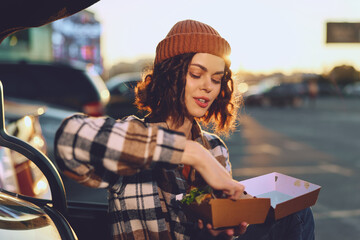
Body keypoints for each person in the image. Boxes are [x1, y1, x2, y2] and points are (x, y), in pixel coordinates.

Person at [54, 19, 315, 240]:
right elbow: (69, 138)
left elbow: (215, 223)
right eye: (196, 73)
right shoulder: (130, 133)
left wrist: (223, 227)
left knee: (296, 211)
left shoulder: (215, 148)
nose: (208, 87)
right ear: (170, 75)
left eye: (216, 79)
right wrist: (192, 153)